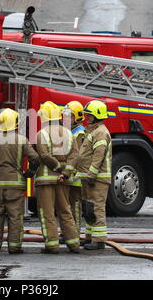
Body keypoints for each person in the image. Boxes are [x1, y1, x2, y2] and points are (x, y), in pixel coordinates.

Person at [0, 108, 40, 254]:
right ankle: (14, 246)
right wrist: (29, 173)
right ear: (15, 123)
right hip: (15, 185)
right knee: (15, 216)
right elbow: (35, 158)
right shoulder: (22, 140)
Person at [35, 101, 80, 254]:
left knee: (47, 213)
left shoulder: (42, 134)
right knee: (65, 211)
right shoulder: (68, 133)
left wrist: (58, 167)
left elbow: (43, 155)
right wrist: (65, 173)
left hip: (45, 180)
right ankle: (74, 244)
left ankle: (52, 245)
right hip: (64, 180)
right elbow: (75, 155)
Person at [75, 100, 112, 250]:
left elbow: (99, 155)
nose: (86, 118)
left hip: (97, 178)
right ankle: (89, 237)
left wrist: (91, 174)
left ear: (97, 116)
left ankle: (99, 240)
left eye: (89, 115)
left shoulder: (101, 132)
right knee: (89, 208)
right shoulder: (93, 131)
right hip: (89, 177)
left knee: (97, 208)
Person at [62, 101, 86, 244]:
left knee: (74, 207)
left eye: (69, 117)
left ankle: (74, 234)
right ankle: (67, 233)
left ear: (76, 118)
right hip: (68, 174)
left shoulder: (79, 133)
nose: (66, 120)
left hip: (75, 175)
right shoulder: (69, 131)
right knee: (65, 207)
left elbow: (76, 156)